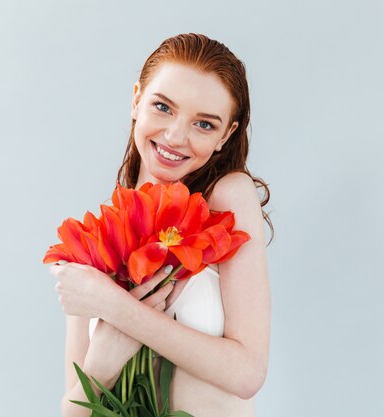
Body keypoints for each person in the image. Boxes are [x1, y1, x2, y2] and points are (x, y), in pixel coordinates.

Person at [50, 33, 272, 417]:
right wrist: (102, 365)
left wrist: (115, 307)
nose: (174, 136)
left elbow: (246, 373)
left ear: (227, 136)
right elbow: (74, 409)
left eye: (204, 124)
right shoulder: (101, 235)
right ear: (137, 100)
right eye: (163, 107)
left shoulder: (227, 199)